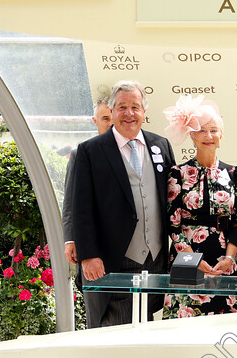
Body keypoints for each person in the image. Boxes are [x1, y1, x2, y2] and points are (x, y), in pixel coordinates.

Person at [72, 80, 175, 327]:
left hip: (155, 259)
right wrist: (89, 255)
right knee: (114, 330)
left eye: (135, 107)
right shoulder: (90, 151)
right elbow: (81, 207)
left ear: (144, 112)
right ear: (112, 110)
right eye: (122, 107)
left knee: (147, 326)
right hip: (112, 259)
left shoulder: (161, 145)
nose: (129, 113)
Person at [163, 94, 237, 317]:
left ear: (221, 135)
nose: (209, 136)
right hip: (188, 260)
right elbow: (173, 225)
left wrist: (229, 259)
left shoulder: (234, 173)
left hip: (225, 263)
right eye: (202, 130)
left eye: (214, 130)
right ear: (192, 135)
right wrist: (192, 260)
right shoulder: (177, 174)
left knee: (226, 325)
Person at [62, 98, 112, 317]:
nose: (110, 123)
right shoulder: (82, 153)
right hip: (93, 247)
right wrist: (70, 239)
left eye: (113, 117)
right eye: (105, 118)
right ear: (95, 121)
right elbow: (71, 201)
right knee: (98, 314)